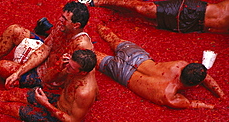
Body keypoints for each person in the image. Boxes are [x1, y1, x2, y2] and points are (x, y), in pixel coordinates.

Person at [0, 1, 94, 90]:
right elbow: (44, 49)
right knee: (14, 30)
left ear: (76, 25)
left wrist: (52, 82)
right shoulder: (62, 27)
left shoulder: (81, 45)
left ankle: (21, 83)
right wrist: (19, 72)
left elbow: (76, 74)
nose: (60, 20)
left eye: (65, 19)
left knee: (1, 67)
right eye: (61, 16)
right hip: (42, 57)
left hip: (44, 76)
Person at [95, 24, 225, 109]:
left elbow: (200, 73)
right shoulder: (170, 97)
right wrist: (214, 104)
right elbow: (193, 104)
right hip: (124, 74)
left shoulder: (179, 65)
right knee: (91, 57)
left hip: (137, 57)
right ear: (194, 85)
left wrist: (221, 94)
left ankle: (95, 22)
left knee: (113, 38)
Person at [0, 49, 98, 122]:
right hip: (58, 101)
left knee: (8, 108)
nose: (67, 67)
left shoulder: (84, 93)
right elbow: (46, 80)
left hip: (61, 120)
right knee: (12, 94)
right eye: (69, 63)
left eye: (71, 67)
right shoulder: (75, 67)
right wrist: (58, 68)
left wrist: (46, 104)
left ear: (83, 73)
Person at [83, 0, 229, 34]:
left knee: (145, 22)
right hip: (193, 11)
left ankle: (113, 14)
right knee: (144, 8)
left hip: (194, 27)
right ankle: (97, 1)